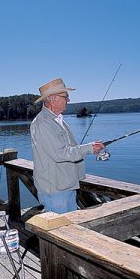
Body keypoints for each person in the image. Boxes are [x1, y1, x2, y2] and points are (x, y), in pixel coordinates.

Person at [30, 78, 105, 213]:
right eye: (66, 96)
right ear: (53, 99)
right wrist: (89, 148)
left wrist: (88, 147)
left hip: (66, 185)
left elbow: (67, 150)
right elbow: (61, 154)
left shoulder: (58, 121)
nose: (68, 100)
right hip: (55, 190)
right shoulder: (43, 123)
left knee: (69, 226)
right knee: (58, 231)